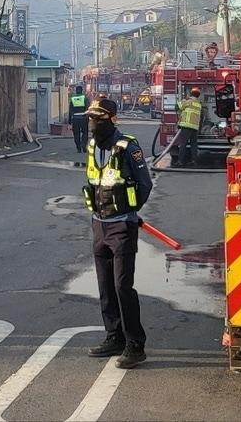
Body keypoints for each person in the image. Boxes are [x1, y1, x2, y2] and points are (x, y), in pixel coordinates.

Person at [81, 97, 153, 369]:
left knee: (123, 286)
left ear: (112, 119)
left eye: (98, 119)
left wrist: (130, 209)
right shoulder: (92, 146)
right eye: (91, 118)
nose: (93, 124)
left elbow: (144, 184)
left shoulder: (128, 147)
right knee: (105, 287)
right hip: (98, 224)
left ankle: (135, 345)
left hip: (122, 226)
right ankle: (114, 337)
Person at [176, 87, 203, 167]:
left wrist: (183, 100)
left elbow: (177, 107)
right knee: (194, 145)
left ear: (191, 94)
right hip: (195, 127)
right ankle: (194, 161)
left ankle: (180, 162)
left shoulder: (188, 101)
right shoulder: (198, 104)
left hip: (186, 126)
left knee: (183, 144)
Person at [68, 85, 89, 153]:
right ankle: (83, 144)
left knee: (76, 134)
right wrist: (87, 117)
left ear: (76, 91)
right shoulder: (85, 98)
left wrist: (70, 122)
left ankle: (78, 147)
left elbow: (70, 111)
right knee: (85, 133)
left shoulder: (72, 98)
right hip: (83, 118)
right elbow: (88, 108)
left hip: (75, 119)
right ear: (82, 90)